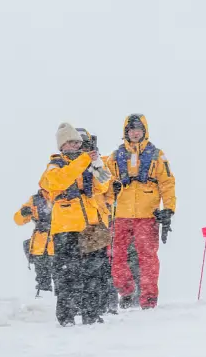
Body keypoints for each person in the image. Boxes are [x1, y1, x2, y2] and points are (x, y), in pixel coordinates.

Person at [39, 123, 112, 326]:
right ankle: (66, 316)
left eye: (79, 143)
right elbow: (58, 182)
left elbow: (104, 184)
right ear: (62, 145)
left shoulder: (87, 163)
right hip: (66, 228)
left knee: (94, 273)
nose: (77, 146)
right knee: (67, 274)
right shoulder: (54, 166)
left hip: (92, 225)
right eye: (72, 142)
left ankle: (92, 314)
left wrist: (97, 164)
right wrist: (84, 160)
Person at [106, 114, 177, 309]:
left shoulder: (157, 155)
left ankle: (148, 299)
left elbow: (167, 183)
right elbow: (105, 183)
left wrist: (168, 209)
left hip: (147, 216)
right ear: (125, 133)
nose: (135, 133)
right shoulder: (115, 157)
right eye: (131, 130)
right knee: (114, 256)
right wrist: (112, 190)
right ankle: (127, 290)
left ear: (144, 131)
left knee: (148, 258)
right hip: (120, 215)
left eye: (138, 129)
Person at [14, 190, 56, 296]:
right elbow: (18, 220)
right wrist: (23, 213)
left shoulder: (64, 196)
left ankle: (57, 299)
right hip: (41, 244)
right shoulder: (35, 200)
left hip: (57, 243)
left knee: (62, 276)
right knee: (43, 275)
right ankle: (44, 297)